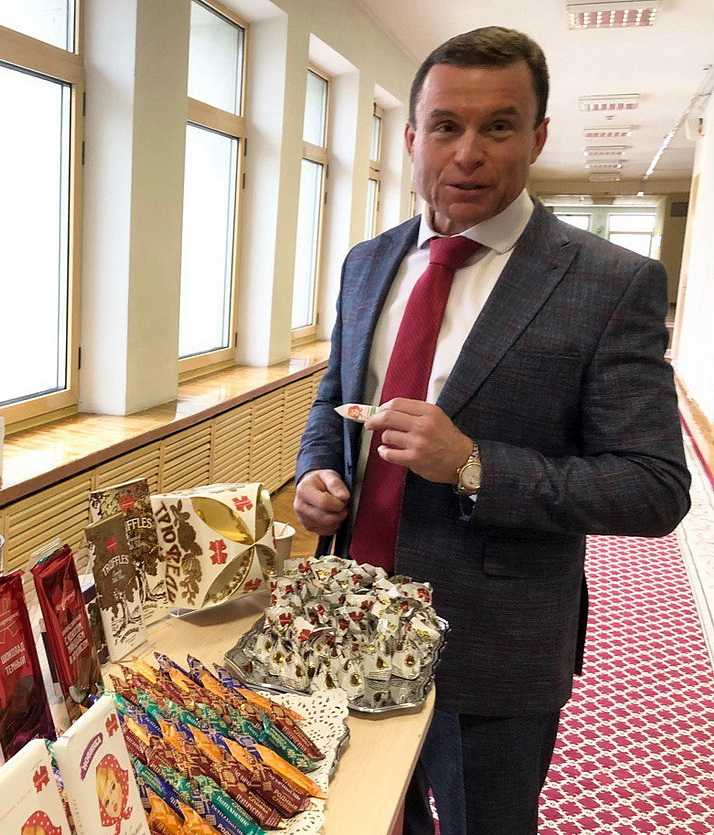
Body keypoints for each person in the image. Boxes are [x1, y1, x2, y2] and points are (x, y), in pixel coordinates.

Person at [294, 27, 690, 835]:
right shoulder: (368, 262)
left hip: (495, 638)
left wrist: (474, 464)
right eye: (446, 126)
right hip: (348, 609)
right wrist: (316, 471)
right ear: (412, 138)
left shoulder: (610, 283)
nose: (468, 153)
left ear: (537, 137)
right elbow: (335, 396)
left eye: (498, 127)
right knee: (363, 814)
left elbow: (655, 488)